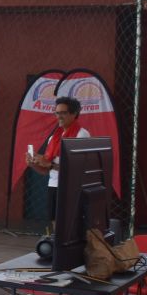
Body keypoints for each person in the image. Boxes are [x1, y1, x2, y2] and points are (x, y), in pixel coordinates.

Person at [26, 96, 91, 224]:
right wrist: (33, 164)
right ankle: (55, 243)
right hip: (53, 185)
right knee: (54, 222)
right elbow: (46, 171)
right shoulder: (54, 137)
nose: (59, 116)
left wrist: (50, 165)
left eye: (63, 113)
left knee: (69, 224)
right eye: (57, 113)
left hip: (72, 187)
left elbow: (78, 169)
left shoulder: (82, 135)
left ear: (74, 114)